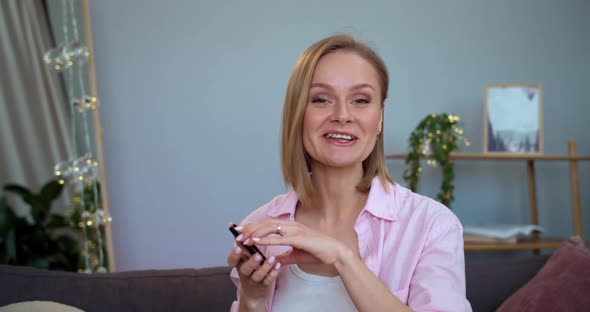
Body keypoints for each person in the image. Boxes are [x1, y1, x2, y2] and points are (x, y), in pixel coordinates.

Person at [227, 34, 472, 312]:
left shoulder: (432, 226)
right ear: (298, 113)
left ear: (379, 117)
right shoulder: (262, 227)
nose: (343, 115)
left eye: (360, 100)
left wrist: (343, 259)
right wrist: (253, 299)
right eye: (321, 99)